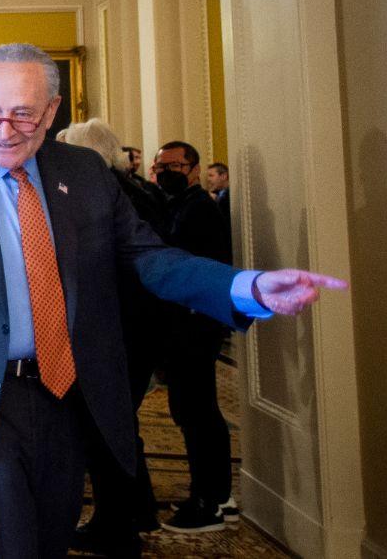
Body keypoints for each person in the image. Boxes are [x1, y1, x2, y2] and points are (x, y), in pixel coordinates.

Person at [0, 43, 347, 558]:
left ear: (52, 111)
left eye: (24, 115)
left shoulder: (86, 173)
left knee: (49, 542)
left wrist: (245, 286)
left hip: (67, 399)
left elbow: (149, 257)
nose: (3, 131)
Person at [62, 119, 168, 557]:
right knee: (119, 425)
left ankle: (116, 527)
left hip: (114, 329)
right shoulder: (141, 189)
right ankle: (137, 510)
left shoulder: (102, 196)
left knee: (103, 430)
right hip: (138, 327)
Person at [151, 141, 238, 533]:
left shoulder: (200, 209)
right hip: (183, 325)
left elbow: (203, 266)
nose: (165, 170)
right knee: (195, 412)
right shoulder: (179, 204)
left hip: (194, 324)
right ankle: (220, 495)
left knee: (197, 413)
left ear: (193, 167)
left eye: (174, 164)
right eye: (160, 165)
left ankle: (208, 502)